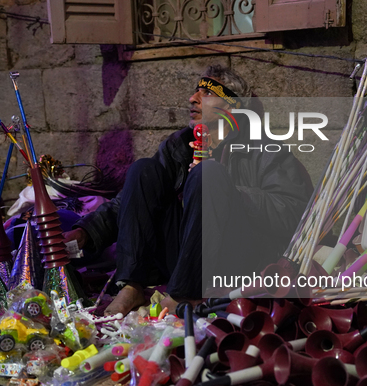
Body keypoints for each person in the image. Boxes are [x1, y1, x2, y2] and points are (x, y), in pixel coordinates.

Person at [64, 65, 313, 316]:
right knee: (143, 170)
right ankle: (131, 285)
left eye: (206, 93)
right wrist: (86, 232)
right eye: (196, 91)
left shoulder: (262, 149)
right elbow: (132, 201)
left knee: (209, 174)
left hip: (234, 259)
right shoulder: (180, 144)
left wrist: (230, 190)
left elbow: (294, 212)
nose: (192, 99)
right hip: (184, 258)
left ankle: (185, 295)